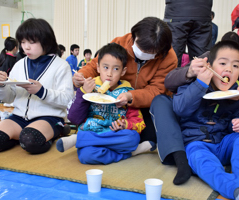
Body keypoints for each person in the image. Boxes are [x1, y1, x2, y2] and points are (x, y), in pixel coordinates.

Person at [150, 30, 239, 185]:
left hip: (226, 130)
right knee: (161, 101)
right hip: (193, 124)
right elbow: (169, 82)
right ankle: (180, 159)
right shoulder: (219, 55)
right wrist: (190, 71)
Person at [174, 40, 239, 199]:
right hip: (196, 145)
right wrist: (201, 83)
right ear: (209, 66)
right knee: (202, 160)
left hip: (223, 145)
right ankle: (234, 188)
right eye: (222, 63)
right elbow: (180, 109)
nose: (229, 69)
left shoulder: (236, 91)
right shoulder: (193, 83)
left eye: (235, 66)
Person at [73, 17, 177, 146]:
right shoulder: (119, 43)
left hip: (142, 104)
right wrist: (82, 75)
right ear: (133, 36)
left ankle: (85, 140)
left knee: (149, 136)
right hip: (111, 100)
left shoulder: (169, 58)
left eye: (149, 52)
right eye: (140, 47)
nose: (143, 53)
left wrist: (130, 96)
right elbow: (96, 65)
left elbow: (157, 90)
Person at [0, 18, 74, 154]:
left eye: (31, 42)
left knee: (31, 140)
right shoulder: (19, 64)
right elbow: (9, 98)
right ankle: (23, 136)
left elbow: (67, 99)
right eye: (22, 42)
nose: (26, 47)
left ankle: (57, 130)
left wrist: (42, 92)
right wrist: (1, 85)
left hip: (48, 117)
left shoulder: (61, 65)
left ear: (46, 41)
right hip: (19, 117)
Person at [56, 43, 146, 164]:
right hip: (93, 131)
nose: (109, 74)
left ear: (123, 71)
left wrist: (125, 124)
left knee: (133, 138)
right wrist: (82, 93)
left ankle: (80, 139)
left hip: (115, 135)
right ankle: (128, 153)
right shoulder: (90, 86)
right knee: (86, 157)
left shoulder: (128, 92)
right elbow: (73, 118)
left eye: (115, 69)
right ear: (98, 68)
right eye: (105, 67)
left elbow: (139, 123)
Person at [163, 0, 212, 67]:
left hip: (176, 12)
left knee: (172, 57)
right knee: (201, 59)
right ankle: (200, 77)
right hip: (203, 11)